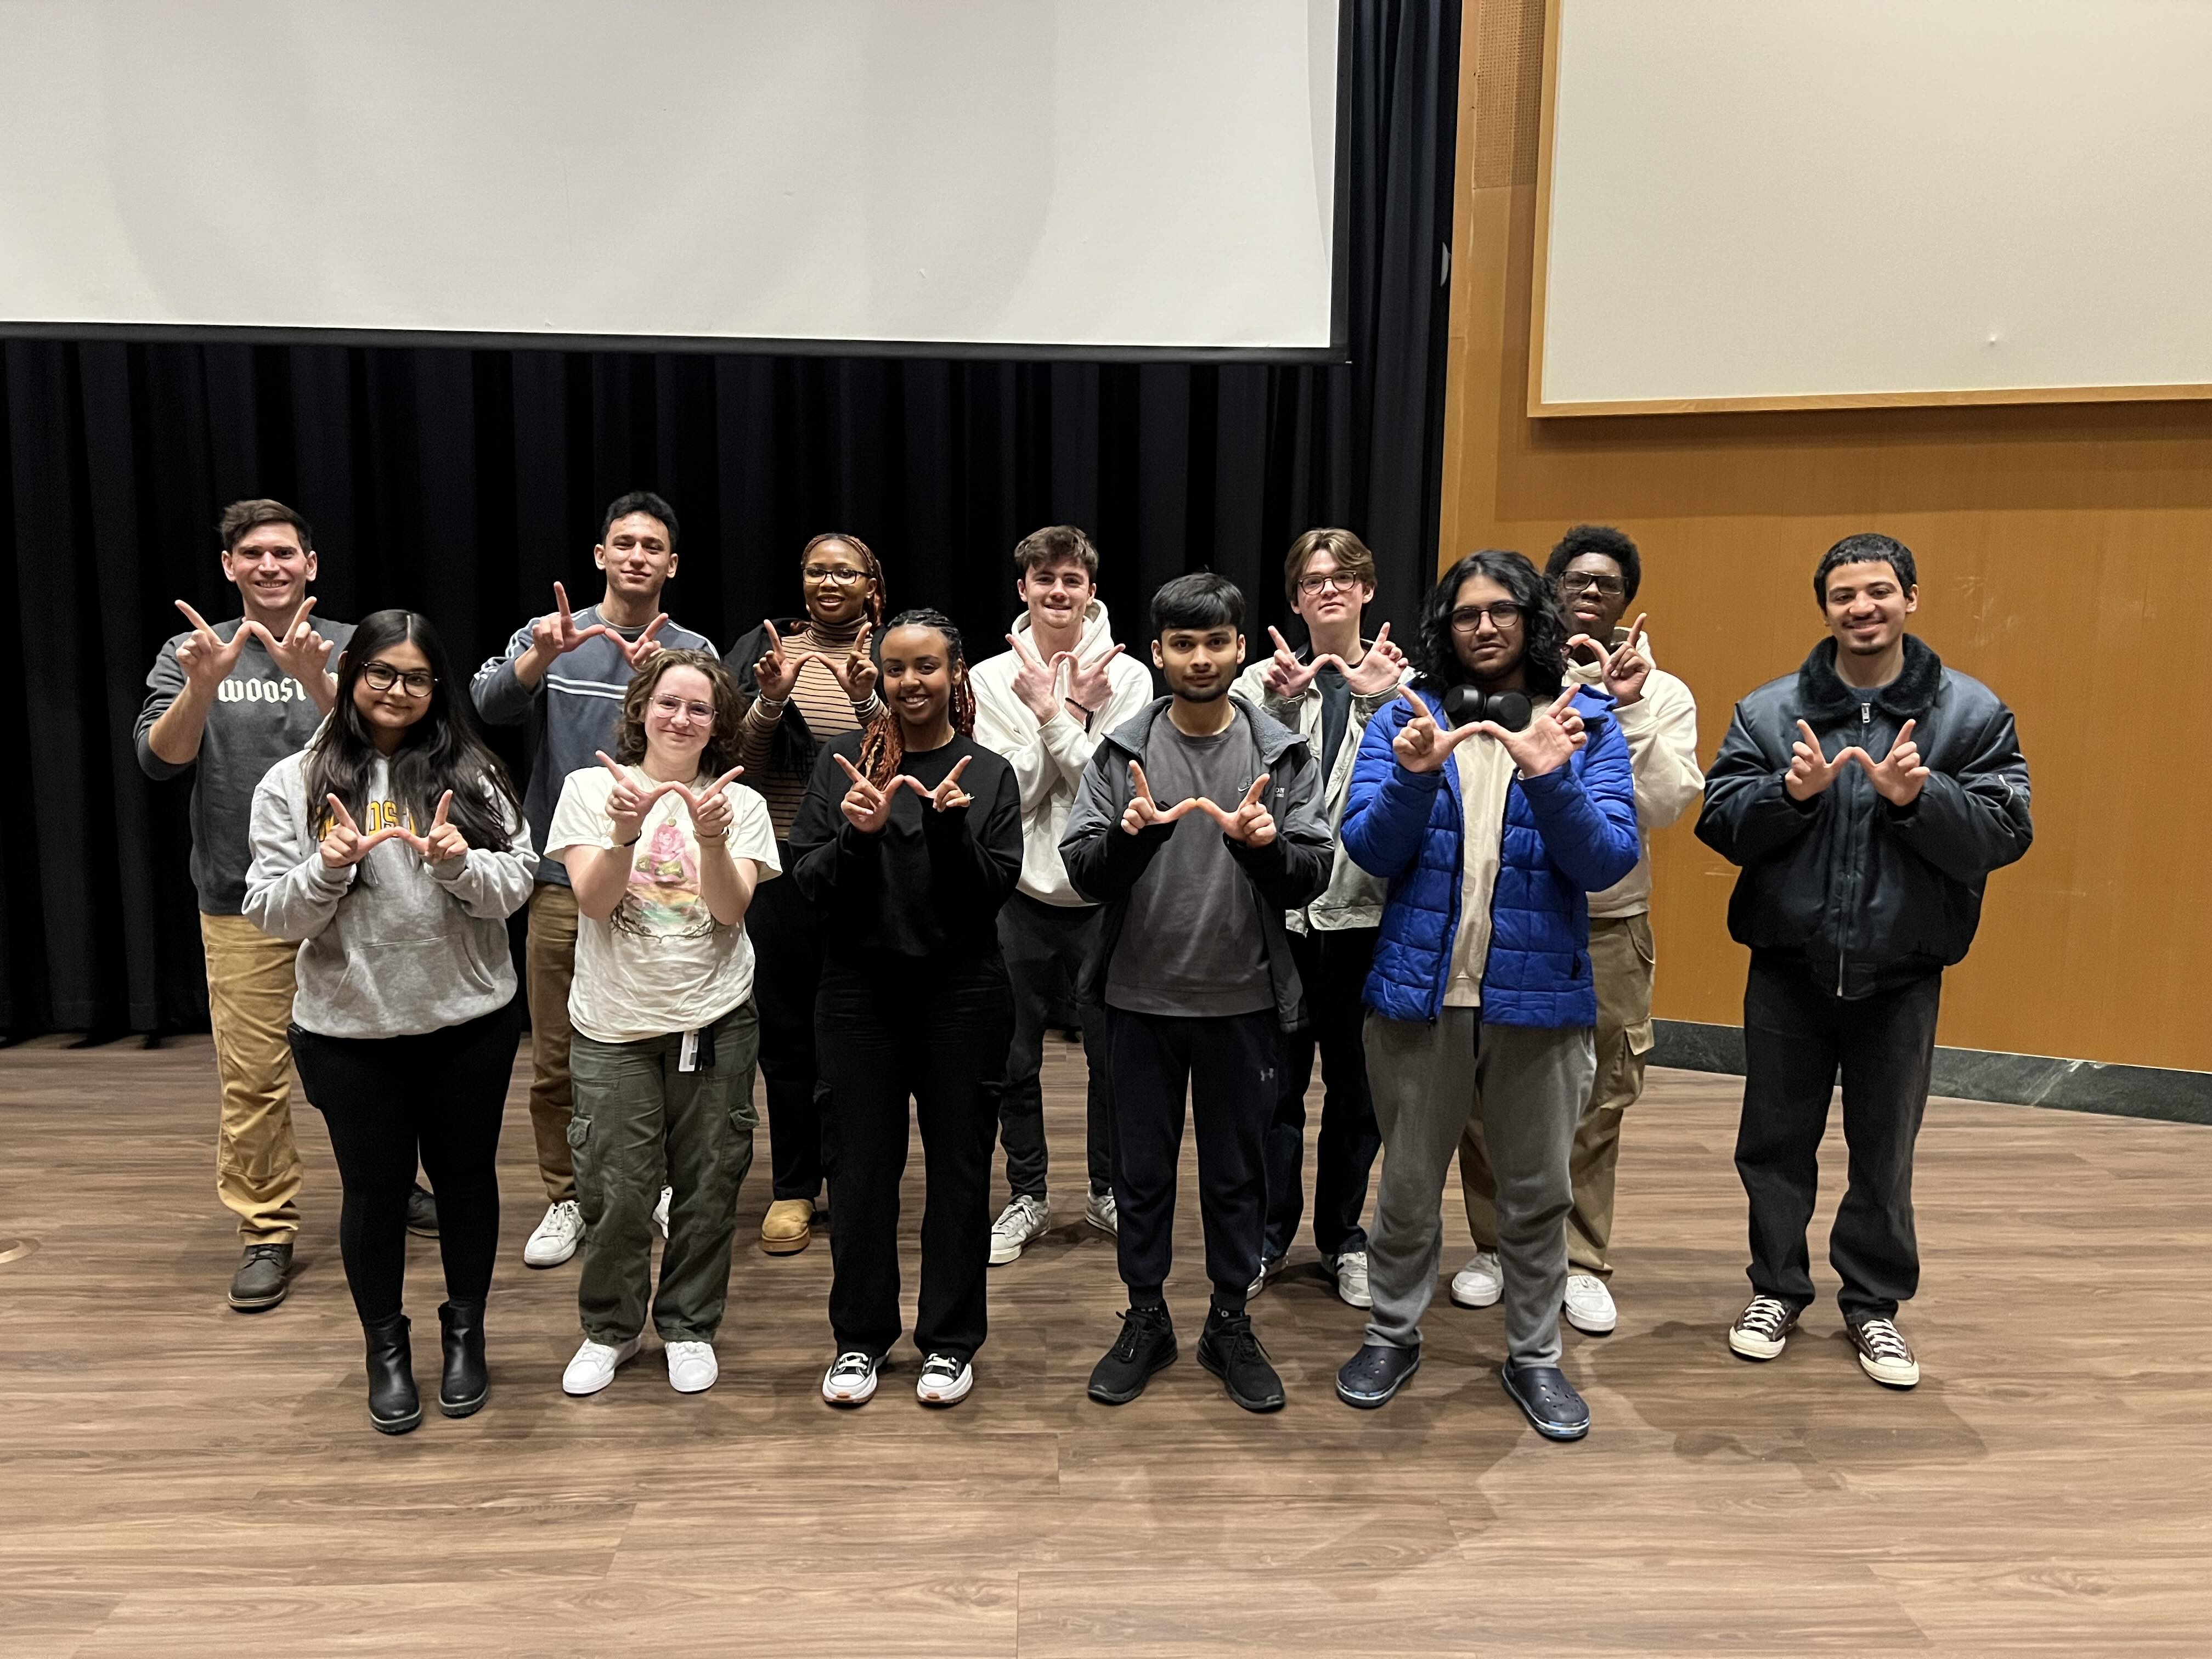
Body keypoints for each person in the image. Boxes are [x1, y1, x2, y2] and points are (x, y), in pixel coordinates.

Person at [1697, 533, 2030, 1390]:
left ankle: (1874, 1306)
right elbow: (1721, 824)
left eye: (1879, 591)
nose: (1863, 608)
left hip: (1904, 969)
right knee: (1772, 1143)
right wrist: (1789, 796)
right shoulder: (1770, 713)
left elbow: (2003, 836)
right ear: (1826, 609)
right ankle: (1775, 1288)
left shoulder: (1972, 714)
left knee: (1885, 1149)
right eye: (1845, 595)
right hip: (1788, 966)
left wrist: (1926, 798)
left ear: (1911, 598)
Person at [1330, 550, 1638, 1442]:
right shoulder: (1408, 715)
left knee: (1539, 1192)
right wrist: (1417, 773)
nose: (1487, 626)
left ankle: (1536, 1356)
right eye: (1468, 614)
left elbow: (1607, 859)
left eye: (1504, 610)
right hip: (1417, 997)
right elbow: (1370, 850)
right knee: (1409, 1187)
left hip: (1539, 1001)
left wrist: (1549, 777)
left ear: (1531, 618)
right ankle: (1392, 1333)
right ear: (1446, 627)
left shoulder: (1587, 720)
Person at [242, 611, 536, 1434]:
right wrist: (327, 869)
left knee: (468, 1179)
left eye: (415, 677)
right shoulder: (294, 782)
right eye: (381, 673)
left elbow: (517, 886)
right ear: (350, 677)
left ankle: (467, 1333)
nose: (397, 691)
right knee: (373, 1193)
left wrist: (459, 865)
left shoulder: (474, 773)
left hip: (466, 1023)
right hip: (349, 1032)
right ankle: (387, 1349)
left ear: (435, 686)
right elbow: (268, 912)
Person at [1061, 573, 1331, 1414]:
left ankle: (1226, 1321)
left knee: (1235, 1178)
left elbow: (1311, 872)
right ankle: (1146, 1317)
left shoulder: (1282, 750)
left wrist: (1261, 849)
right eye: (1184, 643)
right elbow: (1082, 869)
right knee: (1141, 1176)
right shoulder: (1119, 751)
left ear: (1239, 648)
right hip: (1138, 1003)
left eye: (1216, 642)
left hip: (1245, 1005)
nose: (1201, 657)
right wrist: (1132, 841)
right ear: (1159, 653)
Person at [1451, 526, 1702, 1337]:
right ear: (1547, 593)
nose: (1590, 594)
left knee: (1601, 1098)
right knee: (1487, 1094)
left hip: (1607, 922)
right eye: (1575, 582)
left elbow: (1664, 805)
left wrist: (1626, 710)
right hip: (1510, 916)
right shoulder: (1517, 679)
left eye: (1608, 585)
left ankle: (1582, 1258)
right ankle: (1494, 1245)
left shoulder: (1659, 691)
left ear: (1628, 599)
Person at [472, 492, 713, 1269]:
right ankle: (568, 1196)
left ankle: (664, 1187)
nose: (638, 556)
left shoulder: (694, 649)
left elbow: (724, 735)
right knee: (557, 1054)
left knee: (668, 1043)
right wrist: (539, 656)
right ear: (601, 556)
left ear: (671, 565)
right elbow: (486, 705)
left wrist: (671, 689)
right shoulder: (552, 635)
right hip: (559, 878)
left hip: (665, 883)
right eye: (624, 544)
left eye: (653, 547)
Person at [788, 610, 1021, 1408]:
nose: (911, 682)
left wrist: (952, 834)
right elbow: (809, 885)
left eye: (928, 667)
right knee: (858, 1175)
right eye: (896, 669)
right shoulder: (843, 764)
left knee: (959, 1174)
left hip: (962, 996)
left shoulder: (988, 773)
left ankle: (950, 1343)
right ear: (879, 678)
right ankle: (859, 1341)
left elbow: (990, 895)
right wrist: (859, 836)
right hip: (858, 997)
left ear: (957, 674)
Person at [544, 651, 781, 1398]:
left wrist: (710, 839)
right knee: (615, 1192)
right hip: (614, 1023)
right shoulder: (592, 788)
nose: (682, 719)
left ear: (719, 724)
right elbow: (590, 900)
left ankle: (687, 1325)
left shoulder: (735, 801)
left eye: (700, 708)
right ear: (643, 708)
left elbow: (729, 910)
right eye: (669, 704)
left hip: (714, 1018)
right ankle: (608, 1330)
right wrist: (622, 832)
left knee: (710, 1187)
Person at [135, 498, 352, 1312]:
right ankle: (267, 1229)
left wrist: (314, 678)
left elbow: (391, 746)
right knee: (254, 1078)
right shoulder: (189, 651)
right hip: (241, 900)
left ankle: (390, 1184)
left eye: (284, 553)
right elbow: (162, 761)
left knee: (372, 1063)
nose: (270, 566)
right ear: (230, 567)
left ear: (311, 564)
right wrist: (202, 686)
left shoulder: (354, 644)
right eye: (253, 554)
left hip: (351, 892)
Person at [1230, 528, 1410, 1309]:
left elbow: (1410, 784)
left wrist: (1372, 701)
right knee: (1273, 1089)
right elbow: (1237, 776)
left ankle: (1343, 1239)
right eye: (1312, 581)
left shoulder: (1407, 681)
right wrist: (1275, 704)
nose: (1328, 590)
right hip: (1276, 918)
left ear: (1368, 590)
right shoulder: (1256, 684)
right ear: (1296, 598)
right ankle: (1268, 1236)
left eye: (1344, 578)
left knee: (1357, 1092)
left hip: (1365, 917)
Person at [968, 526, 1153, 1263]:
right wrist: (1071, 720)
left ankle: (1108, 1191)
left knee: (1115, 1058)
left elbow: (1109, 792)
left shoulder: (1131, 676)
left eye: (1071, 579)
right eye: (1043, 578)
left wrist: (1053, 722)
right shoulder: (987, 677)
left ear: (1091, 590)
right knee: (1015, 1060)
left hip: (1105, 888)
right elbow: (1002, 791)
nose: (1057, 591)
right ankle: (1029, 1195)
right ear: (1023, 589)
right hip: (1017, 892)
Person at [725, 533, 889, 1257]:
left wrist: (867, 697)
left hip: (865, 864)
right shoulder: (765, 652)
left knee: (861, 1034)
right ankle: (794, 1185)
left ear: (870, 583)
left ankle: (855, 1180)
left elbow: (899, 755)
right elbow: (737, 764)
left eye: (844, 570)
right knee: (787, 1037)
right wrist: (767, 701)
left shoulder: (895, 651)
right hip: (780, 868)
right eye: (817, 569)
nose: (830, 581)